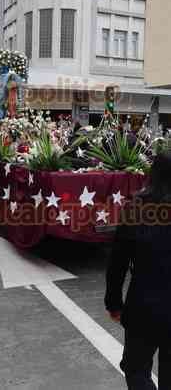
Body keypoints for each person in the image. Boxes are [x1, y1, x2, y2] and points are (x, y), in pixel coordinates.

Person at [105, 152, 171, 390]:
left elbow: (117, 263)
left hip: (144, 305)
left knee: (135, 369)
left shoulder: (136, 209)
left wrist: (113, 303)